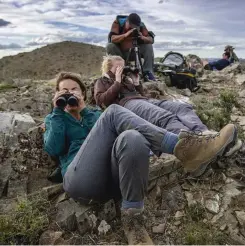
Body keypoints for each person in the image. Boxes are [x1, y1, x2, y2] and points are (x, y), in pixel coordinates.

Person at [44, 72, 237, 245]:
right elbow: (54, 147)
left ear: (83, 93)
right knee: (113, 112)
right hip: (80, 180)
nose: (69, 94)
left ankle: (133, 221)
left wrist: (84, 110)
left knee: (132, 137)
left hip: (113, 178)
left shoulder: (94, 114)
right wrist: (57, 112)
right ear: (56, 95)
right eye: (64, 91)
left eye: (74, 90)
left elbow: (108, 134)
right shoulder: (55, 119)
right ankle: (185, 149)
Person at [94, 55, 242, 157]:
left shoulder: (126, 79)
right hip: (127, 105)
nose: (123, 69)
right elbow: (102, 100)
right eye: (118, 67)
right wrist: (117, 81)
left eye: (123, 66)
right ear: (108, 68)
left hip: (143, 100)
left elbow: (141, 94)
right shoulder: (102, 81)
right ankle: (193, 147)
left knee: (182, 107)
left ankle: (204, 134)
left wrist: (137, 83)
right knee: (164, 117)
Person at [106, 13, 155, 81]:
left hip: (135, 52)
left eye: (135, 27)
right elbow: (112, 39)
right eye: (131, 26)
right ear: (127, 21)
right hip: (121, 54)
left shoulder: (141, 25)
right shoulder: (118, 22)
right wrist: (125, 35)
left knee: (148, 45)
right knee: (110, 46)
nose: (132, 28)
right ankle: (118, 71)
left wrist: (143, 37)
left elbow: (151, 40)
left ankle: (148, 72)